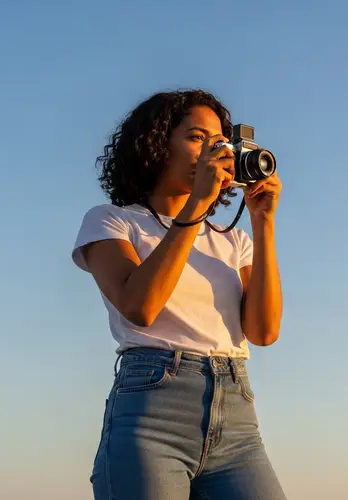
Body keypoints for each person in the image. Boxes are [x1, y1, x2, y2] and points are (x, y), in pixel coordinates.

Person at [72, 89, 287, 499]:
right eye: (196, 138)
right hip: (152, 412)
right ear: (155, 144)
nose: (213, 151)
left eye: (220, 141)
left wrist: (264, 224)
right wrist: (196, 207)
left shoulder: (233, 240)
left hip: (237, 416)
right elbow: (141, 306)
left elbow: (263, 331)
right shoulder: (113, 222)